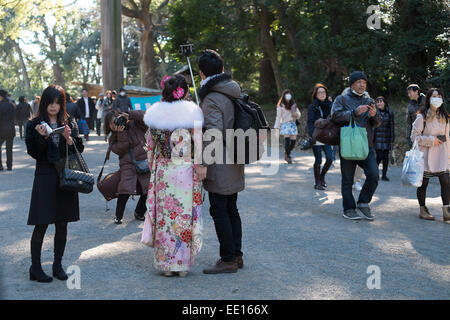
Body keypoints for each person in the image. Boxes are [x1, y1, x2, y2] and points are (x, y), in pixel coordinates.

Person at [143, 75, 204, 277]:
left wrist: (153, 165)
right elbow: (198, 140)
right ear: (184, 92)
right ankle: (182, 264)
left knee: (165, 217)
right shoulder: (192, 111)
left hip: (163, 171)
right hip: (185, 169)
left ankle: (165, 264)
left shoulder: (155, 113)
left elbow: (150, 146)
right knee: (183, 216)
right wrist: (199, 164)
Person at [25, 85, 84, 283]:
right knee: (41, 223)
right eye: (50, 102)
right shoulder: (34, 124)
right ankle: (36, 267)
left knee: (62, 222)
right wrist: (42, 138)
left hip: (65, 177)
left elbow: (79, 148)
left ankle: (57, 265)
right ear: (44, 103)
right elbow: (34, 152)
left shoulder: (68, 122)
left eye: (58, 103)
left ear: (62, 104)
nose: (54, 106)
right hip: (45, 176)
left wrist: (68, 139)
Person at [197, 49, 245, 274]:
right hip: (235, 156)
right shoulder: (232, 90)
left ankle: (227, 259)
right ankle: (236, 255)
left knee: (219, 209)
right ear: (222, 70)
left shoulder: (212, 97)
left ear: (201, 73)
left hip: (220, 161)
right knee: (231, 207)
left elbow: (213, 134)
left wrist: (203, 163)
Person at [331, 71, 382, 221]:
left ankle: (363, 202)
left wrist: (374, 116)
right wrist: (353, 112)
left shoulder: (369, 99)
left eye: (364, 82)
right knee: (347, 179)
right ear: (352, 84)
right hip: (348, 143)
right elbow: (335, 116)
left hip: (367, 144)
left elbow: (378, 122)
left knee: (374, 175)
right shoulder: (342, 99)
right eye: (359, 82)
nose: (362, 85)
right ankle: (348, 208)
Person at [411, 88, 450, 223]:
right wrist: (432, 140)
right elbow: (414, 137)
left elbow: (447, 138)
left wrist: (449, 157)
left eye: (439, 96)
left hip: (442, 154)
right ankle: (423, 209)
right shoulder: (421, 117)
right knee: (424, 183)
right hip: (426, 155)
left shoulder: (445, 117)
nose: (437, 98)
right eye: (434, 96)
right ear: (428, 99)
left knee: (446, 181)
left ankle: (447, 211)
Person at [104, 109, 149, 225]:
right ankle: (118, 216)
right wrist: (121, 133)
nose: (115, 124)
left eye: (116, 120)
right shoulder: (112, 138)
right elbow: (122, 149)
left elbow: (146, 117)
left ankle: (139, 212)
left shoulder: (136, 124)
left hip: (143, 160)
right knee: (125, 189)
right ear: (108, 125)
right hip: (127, 164)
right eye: (112, 123)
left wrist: (130, 115)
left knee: (148, 189)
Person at [307, 84, 333, 190]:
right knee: (318, 160)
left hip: (327, 136)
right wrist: (313, 135)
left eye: (324, 92)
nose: (322, 94)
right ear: (316, 95)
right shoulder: (313, 107)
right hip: (316, 136)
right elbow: (310, 122)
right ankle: (317, 182)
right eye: (319, 92)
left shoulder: (330, 105)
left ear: (326, 94)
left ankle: (322, 177)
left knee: (330, 158)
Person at [274, 89, 301, 164]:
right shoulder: (280, 106)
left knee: (293, 142)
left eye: (289, 95)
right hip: (285, 124)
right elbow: (278, 117)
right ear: (284, 96)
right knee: (287, 140)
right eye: (286, 95)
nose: (288, 97)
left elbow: (299, 114)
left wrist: (296, 115)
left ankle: (286, 152)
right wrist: (277, 127)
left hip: (292, 124)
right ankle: (288, 157)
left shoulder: (293, 104)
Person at [373, 96, 395, 181]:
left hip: (386, 138)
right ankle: (374, 173)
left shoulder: (389, 112)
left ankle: (384, 175)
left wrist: (392, 139)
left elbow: (392, 126)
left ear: (384, 102)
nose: (379, 103)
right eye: (377, 102)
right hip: (377, 138)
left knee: (386, 158)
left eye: (381, 101)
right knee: (378, 156)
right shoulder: (374, 112)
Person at [0, 89, 16, 171]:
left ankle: (0, 166)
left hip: (1, 129)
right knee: (9, 148)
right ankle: (9, 166)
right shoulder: (11, 105)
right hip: (10, 129)